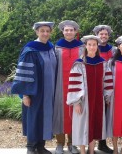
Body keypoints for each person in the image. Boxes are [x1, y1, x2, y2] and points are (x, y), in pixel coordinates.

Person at [11, 21, 57, 154]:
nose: (45, 33)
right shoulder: (31, 49)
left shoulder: (50, 48)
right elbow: (25, 73)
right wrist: (25, 95)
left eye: (48, 31)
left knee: (45, 117)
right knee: (34, 116)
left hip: (49, 91)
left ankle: (40, 146)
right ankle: (31, 147)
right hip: (34, 92)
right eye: (42, 30)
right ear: (37, 32)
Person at [66, 35, 113, 154]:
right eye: (89, 44)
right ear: (85, 46)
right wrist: (76, 102)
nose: (92, 47)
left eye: (94, 44)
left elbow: (107, 81)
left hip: (98, 100)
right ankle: (83, 151)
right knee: (82, 127)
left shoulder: (103, 63)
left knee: (94, 125)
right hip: (83, 101)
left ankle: (91, 151)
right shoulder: (79, 63)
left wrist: (107, 96)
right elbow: (74, 84)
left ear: (97, 46)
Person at [53, 20, 84, 154]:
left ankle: (72, 143)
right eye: (66, 30)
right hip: (60, 86)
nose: (69, 32)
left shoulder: (82, 48)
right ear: (63, 32)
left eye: (71, 30)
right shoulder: (57, 48)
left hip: (76, 87)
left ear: (75, 31)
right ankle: (60, 143)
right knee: (59, 114)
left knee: (74, 114)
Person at [92, 25, 115, 153]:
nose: (103, 36)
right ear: (97, 35)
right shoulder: (92, 48)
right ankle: (92, 144)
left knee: (105, 115)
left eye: (106, 34)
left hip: (108, 86)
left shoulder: (114, 50)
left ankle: (102, 143)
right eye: (101, 34)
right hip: (94, 85)